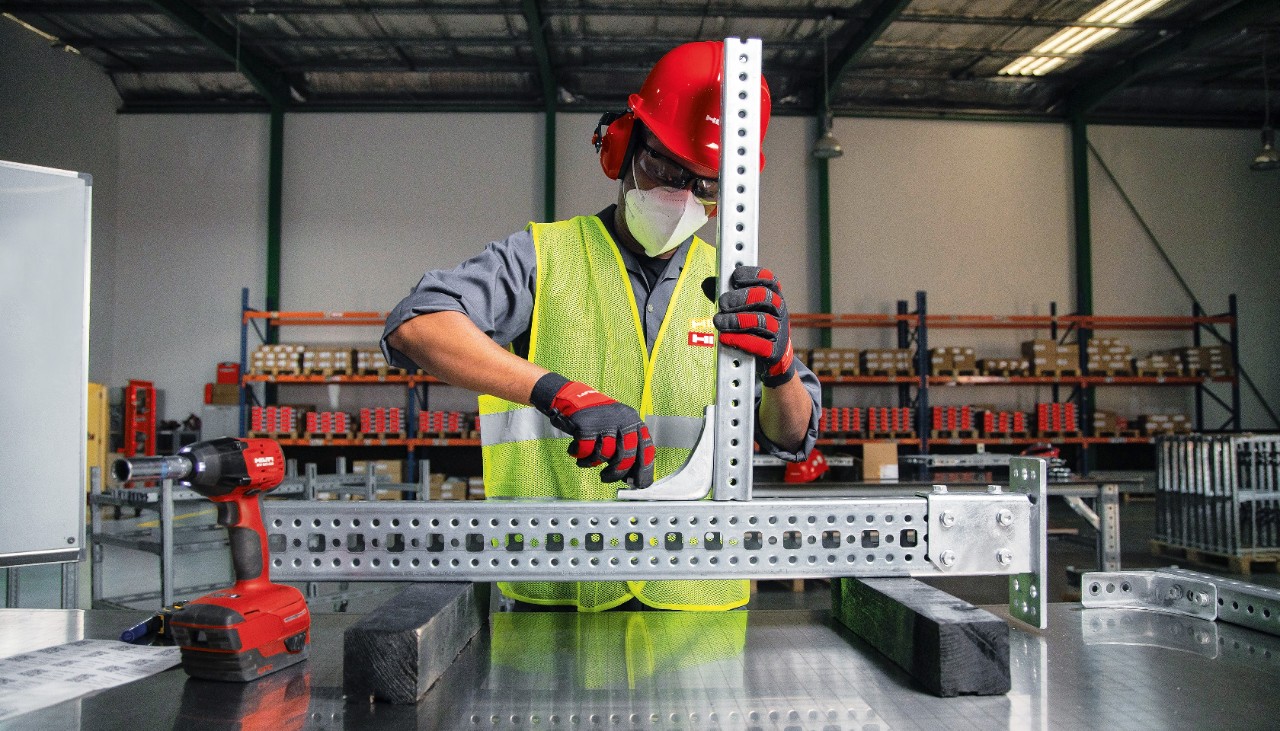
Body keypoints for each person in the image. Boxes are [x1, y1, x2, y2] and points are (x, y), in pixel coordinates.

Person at [382, 40, 821, 612]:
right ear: (622, 147)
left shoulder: (736, 287)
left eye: (704, 185)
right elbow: (415, 327)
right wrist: (558, 393)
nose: (679, 196)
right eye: (663, 167)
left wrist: (782, 366)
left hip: (696, 602)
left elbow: (792, 436)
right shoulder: (543, 256)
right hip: (555, 592)